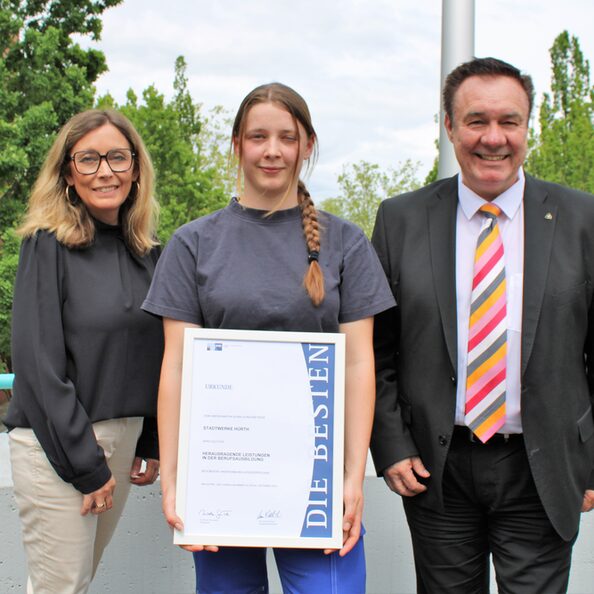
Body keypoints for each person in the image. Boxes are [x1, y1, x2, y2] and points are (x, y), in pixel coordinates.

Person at [142, 82, 395, 593]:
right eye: (258, 136)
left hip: (318, 484)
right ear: (237, 144)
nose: (273, 150)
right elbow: (177, 369)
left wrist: (350, 478)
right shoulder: (193, 243)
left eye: (287, 137)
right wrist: (176, 477)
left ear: (307, 145)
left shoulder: (345, 242)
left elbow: (357, 366)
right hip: (223, 480)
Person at [371, 56, 594, 594]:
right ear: (449, 127)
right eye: (476, 121)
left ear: (526, 128)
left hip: (544, 469)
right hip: (437, 469)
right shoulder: (400, 219)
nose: (493, 138)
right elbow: (377, 349)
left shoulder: (584, 219)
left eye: (508, 121)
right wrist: (392, 445)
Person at [5, 109, 164, 594]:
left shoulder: (150, 255)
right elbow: (37, 364)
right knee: (62, 587)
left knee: (73, 584)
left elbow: (156, 356)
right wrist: (85, 463)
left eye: (117, 157)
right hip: (58, 446)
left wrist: (150, 440)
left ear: (136, 168)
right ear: (69, 173)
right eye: (89, 159)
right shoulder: (46, 246)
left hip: (120, 443)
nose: (105, 171)